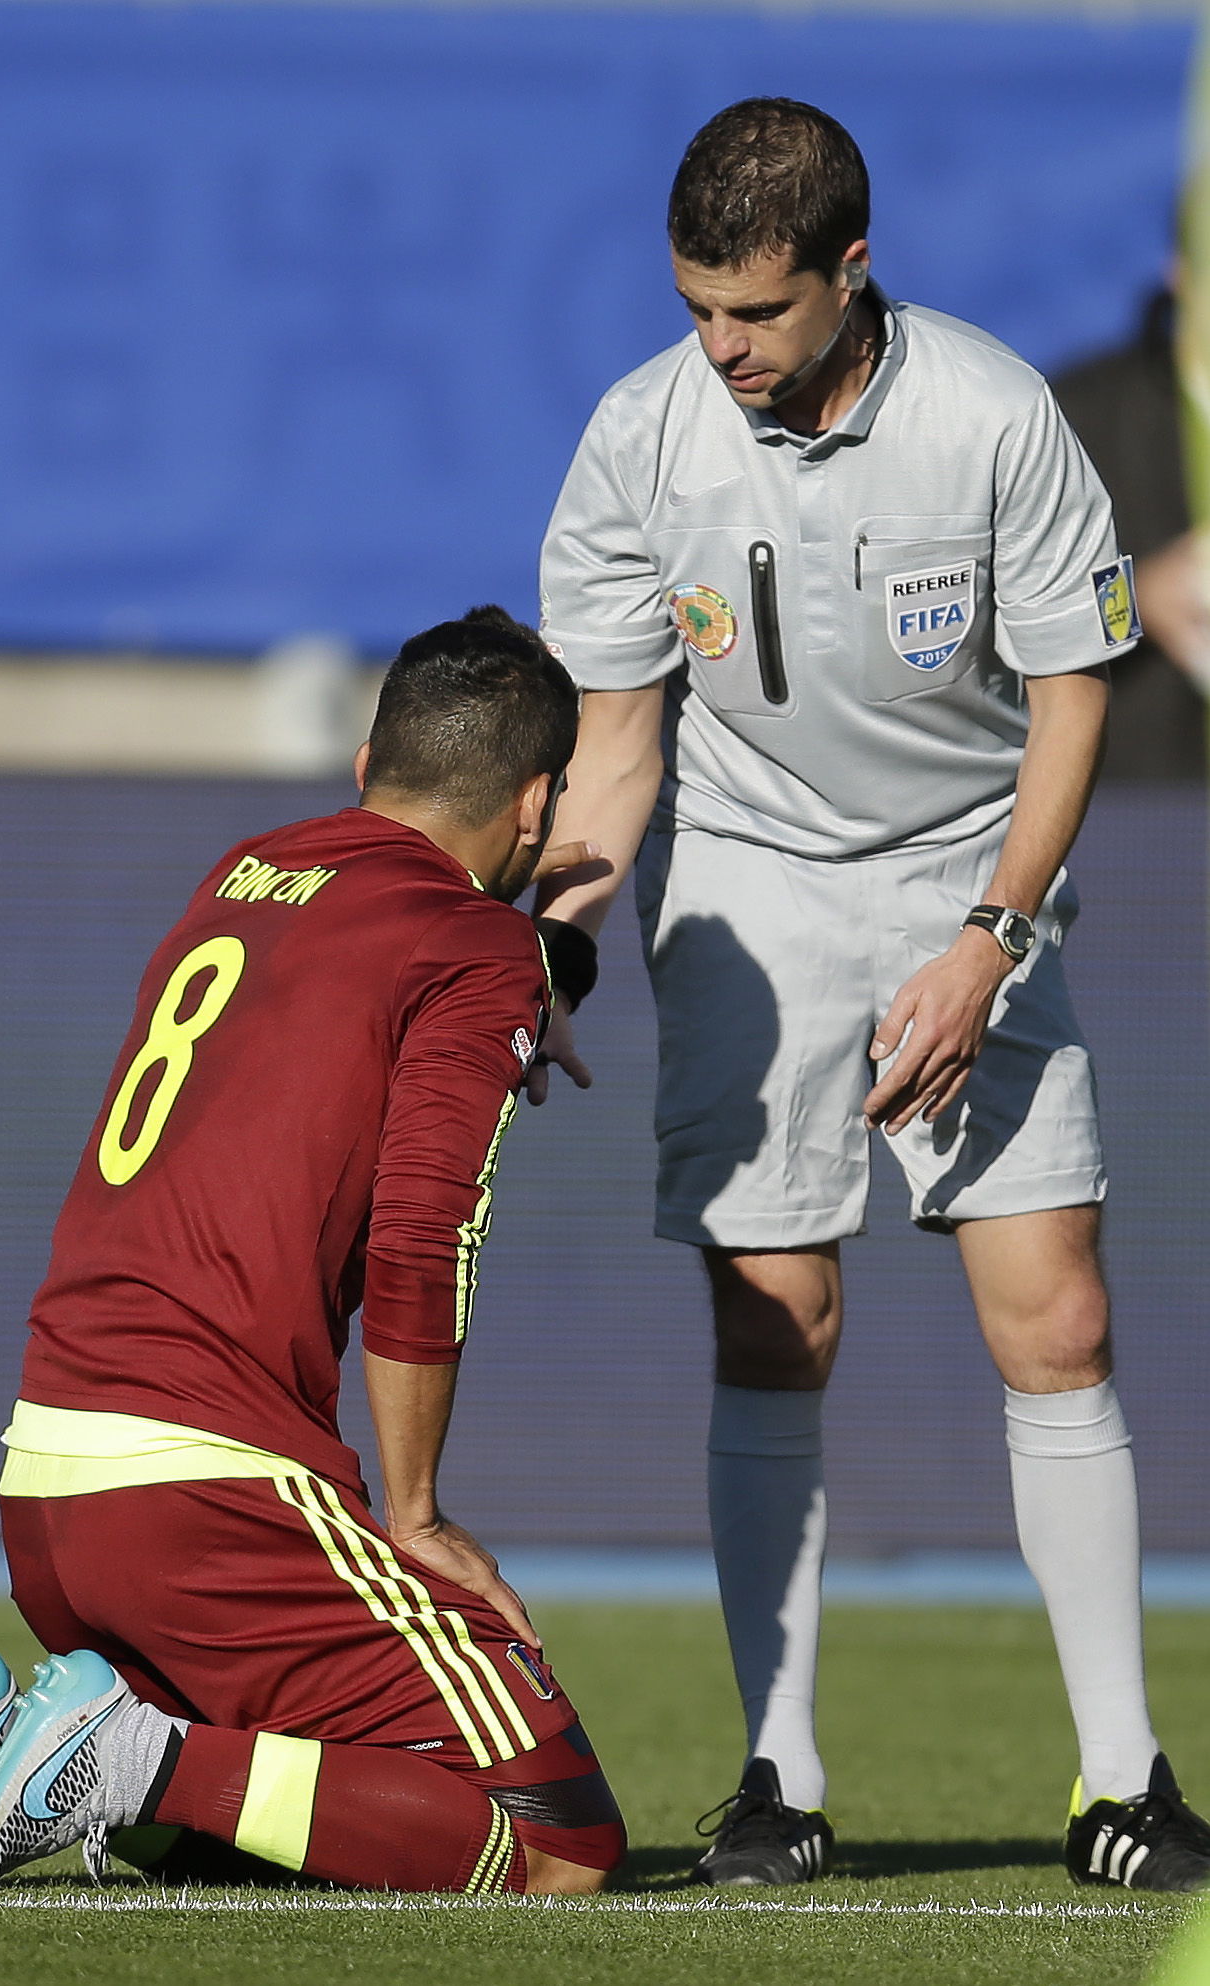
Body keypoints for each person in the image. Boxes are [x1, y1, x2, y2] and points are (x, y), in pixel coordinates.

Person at [531, 98, 1210, 1892]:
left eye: (751, 313)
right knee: (775, 1325)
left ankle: (1123, 1782)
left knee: (1052, 1322)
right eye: (693, 307)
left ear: (849, 272)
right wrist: (554, 945)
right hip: (746, 892)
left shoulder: (993, 416)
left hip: (968, 877)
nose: (718, 349)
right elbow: (615, 750)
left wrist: (990, 936)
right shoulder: (639, 435)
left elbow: (1072, 696)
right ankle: (777, 1781)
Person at [0, 606, 625, 1897]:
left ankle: (54, 1756)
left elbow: (376, 943)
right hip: (210, 1493)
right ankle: (115, 1760)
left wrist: (512, 932)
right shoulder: (471, 949)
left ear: (365, 765)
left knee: (273, 1820)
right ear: (535, 804)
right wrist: (412, 1513)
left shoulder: (249, 869)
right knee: (549, 1844)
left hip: (51, 1492)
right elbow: (424, 1239)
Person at [1052, 281, 1209, 780]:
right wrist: (1138, 599)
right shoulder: (1072, 417)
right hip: (1133, 816)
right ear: (1182, 268)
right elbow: (985, 629)